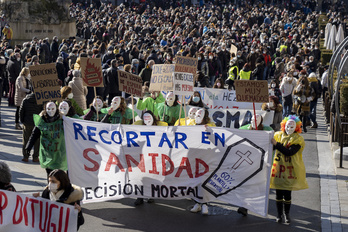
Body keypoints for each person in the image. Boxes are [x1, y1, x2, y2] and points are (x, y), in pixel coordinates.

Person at [270, 115, 308, 224]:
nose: (289, 129)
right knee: (278, 194)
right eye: (287, 126)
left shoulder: (298, 139)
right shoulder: (277, 135)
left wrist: (277, 144)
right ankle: (279, 215)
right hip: (277, 169)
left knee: (287, 194)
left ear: (296, 128)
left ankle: (286, 214)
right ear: (283, 125)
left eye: (292, 127)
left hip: (290, 170)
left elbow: (289, 152)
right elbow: (270, 148)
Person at [133, 110, 167, 206]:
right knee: (140, 177)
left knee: (152, 176)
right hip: (142, 156)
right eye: (145, 118)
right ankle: (139, 197)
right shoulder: (139, 127)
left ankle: (151, 195)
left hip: (154, 155)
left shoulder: (160, 127)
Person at [25, 101, 67, 178]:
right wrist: (28, 146)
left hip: (59, 153)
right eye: (48, 109)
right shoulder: (42, 121)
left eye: (53, 109)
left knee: (58, 175)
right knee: (50, 175)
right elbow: (34, 134)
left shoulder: (62, 120)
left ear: (56, 109)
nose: (51, 111)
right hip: (47, 153)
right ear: (45, 110)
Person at [190, 108, 215, 215]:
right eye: (196, 115)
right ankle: (197, 203)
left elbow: (216, 139)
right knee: (195, 181)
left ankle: (205, 204)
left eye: (199, 116)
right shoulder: (190, 125)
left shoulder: (212, 126)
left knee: (204, 182)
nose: (196, 117)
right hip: (193, 156)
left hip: (206, 157)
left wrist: (209, 132)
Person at [19, 93, 42, 162]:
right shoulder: (40, 100)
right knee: (37, 141)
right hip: (37, 123)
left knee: (26, 140)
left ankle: (25, 156)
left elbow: (21, 111)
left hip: (27, 123)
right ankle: (35, 157)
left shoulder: (25, 100)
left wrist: (22, 120)